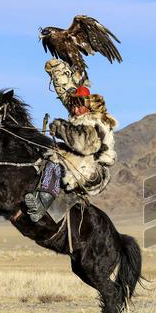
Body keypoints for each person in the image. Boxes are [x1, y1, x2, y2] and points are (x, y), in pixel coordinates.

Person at [24, 85, 118, 221]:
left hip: (94, 172)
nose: (75, 110)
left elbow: (83, 145)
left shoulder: (94, 122)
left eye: (79, 107)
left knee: (56, 159)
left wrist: (60, 127)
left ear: (87, 105)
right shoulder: (81, 118)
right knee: (48, 153)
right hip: (84, 163)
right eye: (73, 107)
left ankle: (43, 201)